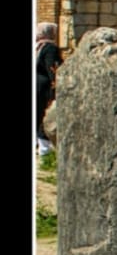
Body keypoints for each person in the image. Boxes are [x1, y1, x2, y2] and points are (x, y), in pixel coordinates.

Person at [35, 22, 62, 156]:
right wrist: (56, 83)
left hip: (36, 84)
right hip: (45, 86)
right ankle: (44, 148)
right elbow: (52, 67)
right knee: (44, 114)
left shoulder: (38, 46)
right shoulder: (50, 48)